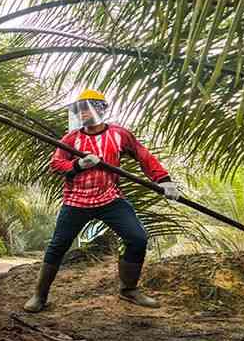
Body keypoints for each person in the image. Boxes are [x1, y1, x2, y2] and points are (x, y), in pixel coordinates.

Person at [24, 89, 180, 312]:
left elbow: (143, 156)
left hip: (110, 199)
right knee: (58, 246)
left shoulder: (119, 135)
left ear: (101, 109)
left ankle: (129, 290)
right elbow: (56, 165)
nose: (84, 113)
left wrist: (164, 180)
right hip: (76, 201)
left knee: (137, 238)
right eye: (79, 110)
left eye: (88, 108)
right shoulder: (71, 139)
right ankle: (39, 295)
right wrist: (78, 165)